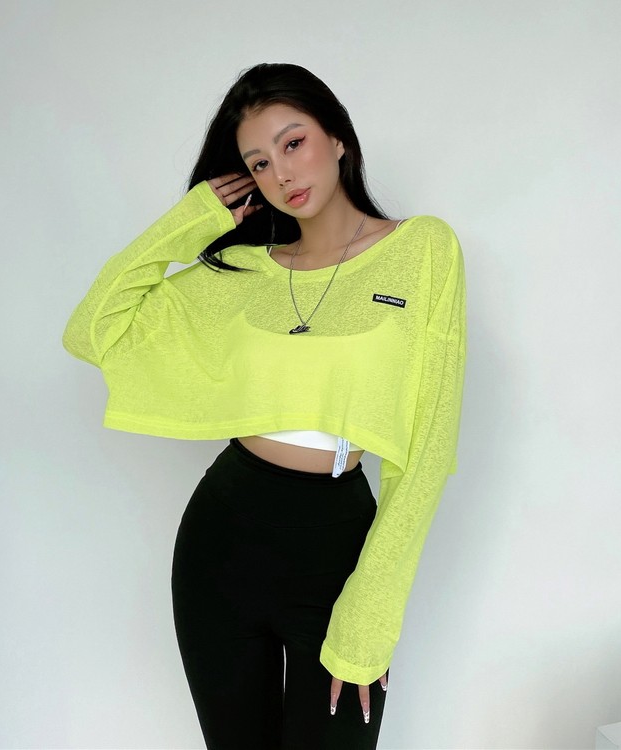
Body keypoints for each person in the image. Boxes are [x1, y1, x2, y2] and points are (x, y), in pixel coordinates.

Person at [63, 62, 467, 750]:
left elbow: (428, 448)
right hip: (224, 536)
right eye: (257, 162)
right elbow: (92, 329)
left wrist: (370, 616)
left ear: (337, 138)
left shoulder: (423, 249)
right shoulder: (243, 272)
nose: (280, 173)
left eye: (292, 143)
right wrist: (189, 222)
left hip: (336, 543)